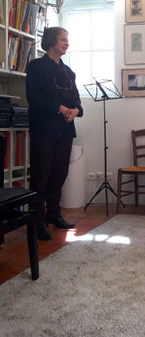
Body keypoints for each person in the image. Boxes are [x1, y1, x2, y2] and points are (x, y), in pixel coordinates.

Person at [26, 27, 83, 240]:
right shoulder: (36, 66)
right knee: (41, 176)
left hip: (65, 129)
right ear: (51, 41)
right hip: (44, 129)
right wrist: (60, 108)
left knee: (59, 175)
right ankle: (36, 222)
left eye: (67, 39)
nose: (67, 43)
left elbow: (77, 101)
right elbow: (34, 97)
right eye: (62, 39)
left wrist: (75, 111)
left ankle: (54, 214)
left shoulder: (68, 71)